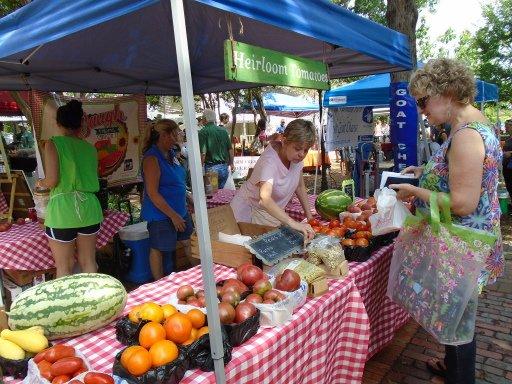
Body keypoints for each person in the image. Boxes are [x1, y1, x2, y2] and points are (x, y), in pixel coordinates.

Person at [389, 58, 503, 384]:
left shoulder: (465, 135)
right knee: (457, 313)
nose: (421, 110)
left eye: (424, 101)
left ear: (448, 92)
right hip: (469, 241)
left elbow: (463, 203)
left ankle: (460, 376)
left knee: (460, 319)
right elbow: (462, 176)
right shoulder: (471, 122)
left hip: (463, 244)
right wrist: (424, 172)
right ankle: (452, 367)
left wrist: (414, 191)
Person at [36, 100, 103, 278]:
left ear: (58, 123)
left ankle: (67, 304)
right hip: (89, 207)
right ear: (80, 123)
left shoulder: (53, 143)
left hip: (63, 210)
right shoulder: (89, 148)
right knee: (88, 261)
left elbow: (52, 180)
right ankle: (96, 301)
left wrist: (40, 183)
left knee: (65, 266)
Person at [230, 118, 316, 244]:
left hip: (271, 215)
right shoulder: (269, 161)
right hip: (248, 215)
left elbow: (299, 186)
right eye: (298, 149)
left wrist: (310, 218)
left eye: (306, 150)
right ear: (285, 141)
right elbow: (264, 199)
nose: (302, 154)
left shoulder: (295, 158)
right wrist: (293, 223)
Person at [141, 119, 195, 280]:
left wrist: (188, 197)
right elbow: (152, 192)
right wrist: (173, 216)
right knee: (158, 248)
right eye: (176, 133)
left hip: (180, 210)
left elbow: (176, 183)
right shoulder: (152, 159)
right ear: (164, 135)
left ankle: (201, 275)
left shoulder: (172, 154)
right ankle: (159, 283)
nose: (179, 136)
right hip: (161, 215)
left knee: (189, 242)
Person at [198, 109, 234, 189]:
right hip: (224, 168)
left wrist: (198, 168)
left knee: (212, 196)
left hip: (212, 169)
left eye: (202, 118)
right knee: (221, 195)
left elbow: (203, 153)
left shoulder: (203, 132)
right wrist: (231, 163)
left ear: (205, 119)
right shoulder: (223, 131)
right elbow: (230, 150)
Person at [503, 119, 512, 203]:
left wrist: (510, 153)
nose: (505, 128)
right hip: (506, 168)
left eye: (507, 127)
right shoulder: (508, 139)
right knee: (509, 187)